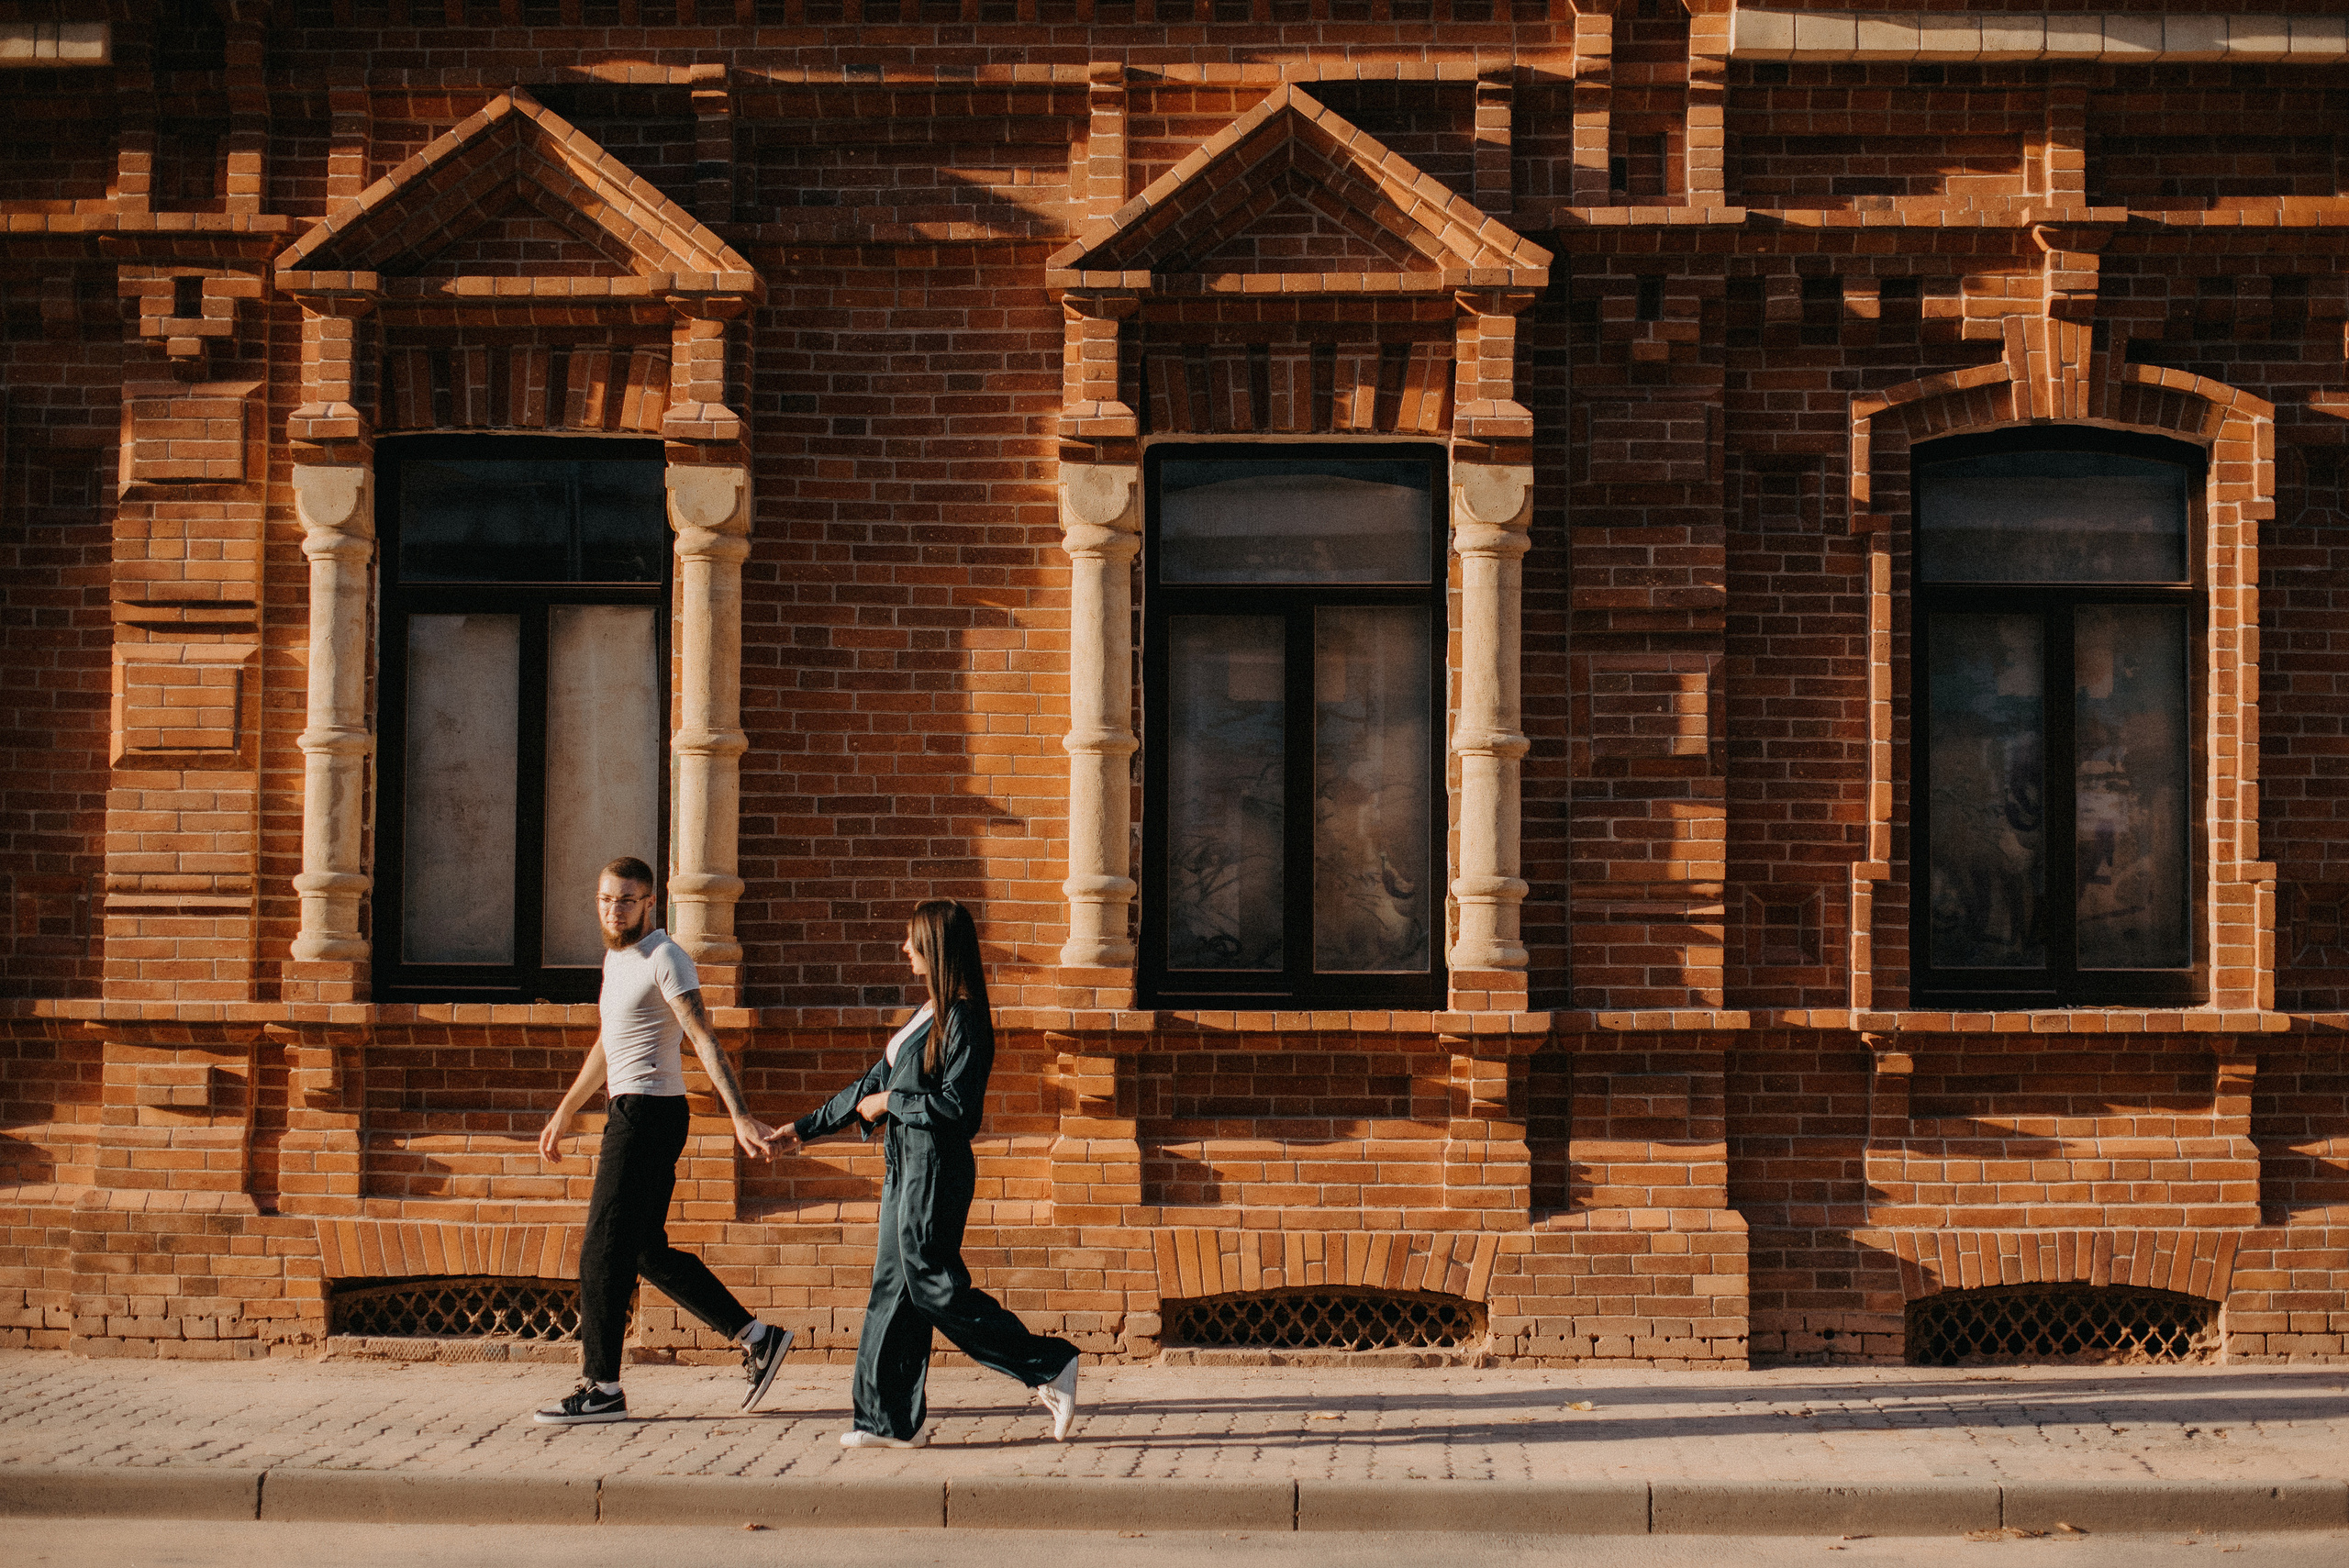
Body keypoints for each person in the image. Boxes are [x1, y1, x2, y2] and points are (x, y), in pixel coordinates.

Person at [770, 899, 1081, 1447]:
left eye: (913, 940)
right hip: (906, 1167)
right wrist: (803, 1128)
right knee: (892, 1288)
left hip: (936, 1170)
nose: (904, 948)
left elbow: (959, 1109)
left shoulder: (964, 1018)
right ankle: (888, 1421)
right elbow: (867, 1088)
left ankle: (1047, 1364)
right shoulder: (927, 1014)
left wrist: (894, 1101)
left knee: (933, 1288)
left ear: (936, 947)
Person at [532, 856, 794, 1425]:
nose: (613, 909)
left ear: (649, 902)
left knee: (602, 1246)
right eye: (605, 899)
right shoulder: (617, 959)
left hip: (650, 1114)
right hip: (628, 1109)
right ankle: (758, 1337)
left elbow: (702, 1036)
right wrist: (566, 1110)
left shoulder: (665, 956)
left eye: (625, 900)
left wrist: (740, 1115)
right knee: (645, 1251)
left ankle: (601, 1387)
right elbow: (610, 1044)